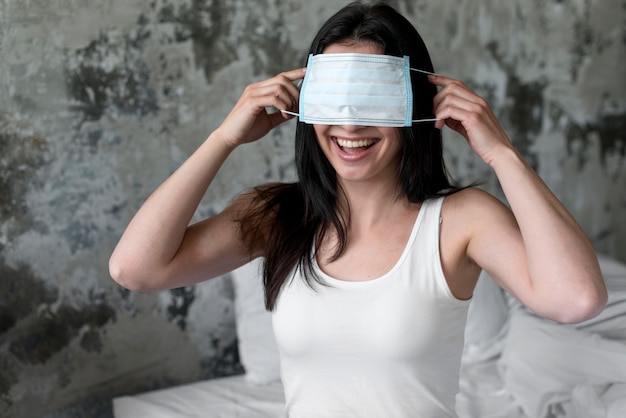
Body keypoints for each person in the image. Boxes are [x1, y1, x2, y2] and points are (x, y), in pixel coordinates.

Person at [109, 2, 608, 416]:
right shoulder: (275, 214)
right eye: (335, 99)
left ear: (415, 104)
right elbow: (135, 268)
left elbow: (576, 300)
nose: (349, 124)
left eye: (372, 99)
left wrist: (502, 153)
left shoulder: (462, 220)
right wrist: (223, 138)